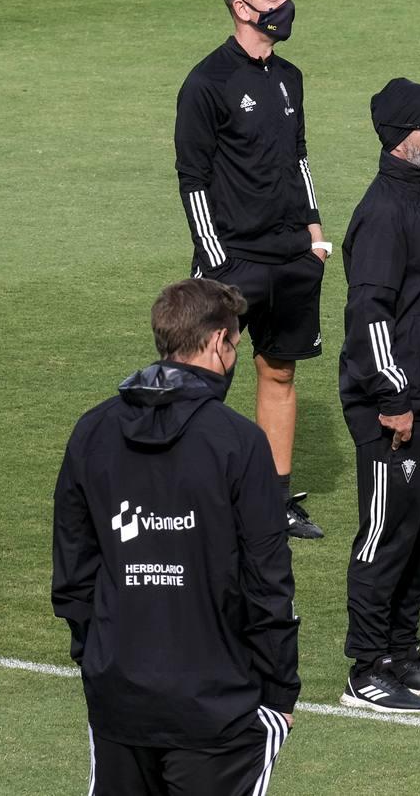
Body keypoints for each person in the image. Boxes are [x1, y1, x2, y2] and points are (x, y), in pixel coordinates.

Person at [52, 279, 299, 795]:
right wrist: (278, 691)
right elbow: (267, 580)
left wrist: (96, 659)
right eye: (235, 344)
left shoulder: (92, 431)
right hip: (218, 709)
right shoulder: (240, 443)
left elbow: (73, 573)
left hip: (119, 698)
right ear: (216, 343)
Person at [175, 0, 330, 539]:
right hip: (233, 259)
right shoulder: (207, 82)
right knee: (204, 376)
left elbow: (300, 159)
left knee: (281, 372)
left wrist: (314, 234)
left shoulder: (290, 76)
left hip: (292, 256)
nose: (287, 3)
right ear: (243, 8)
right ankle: (188, 496)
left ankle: (274, 498)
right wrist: (213, 258)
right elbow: (192, 177)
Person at [337, 78, 420, 713]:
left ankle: (402, 650)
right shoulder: (385, 211)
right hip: (396, 405)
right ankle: (366, 666)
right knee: (384, 533)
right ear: (400, 137)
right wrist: (391, 394)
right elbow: (370, 312)